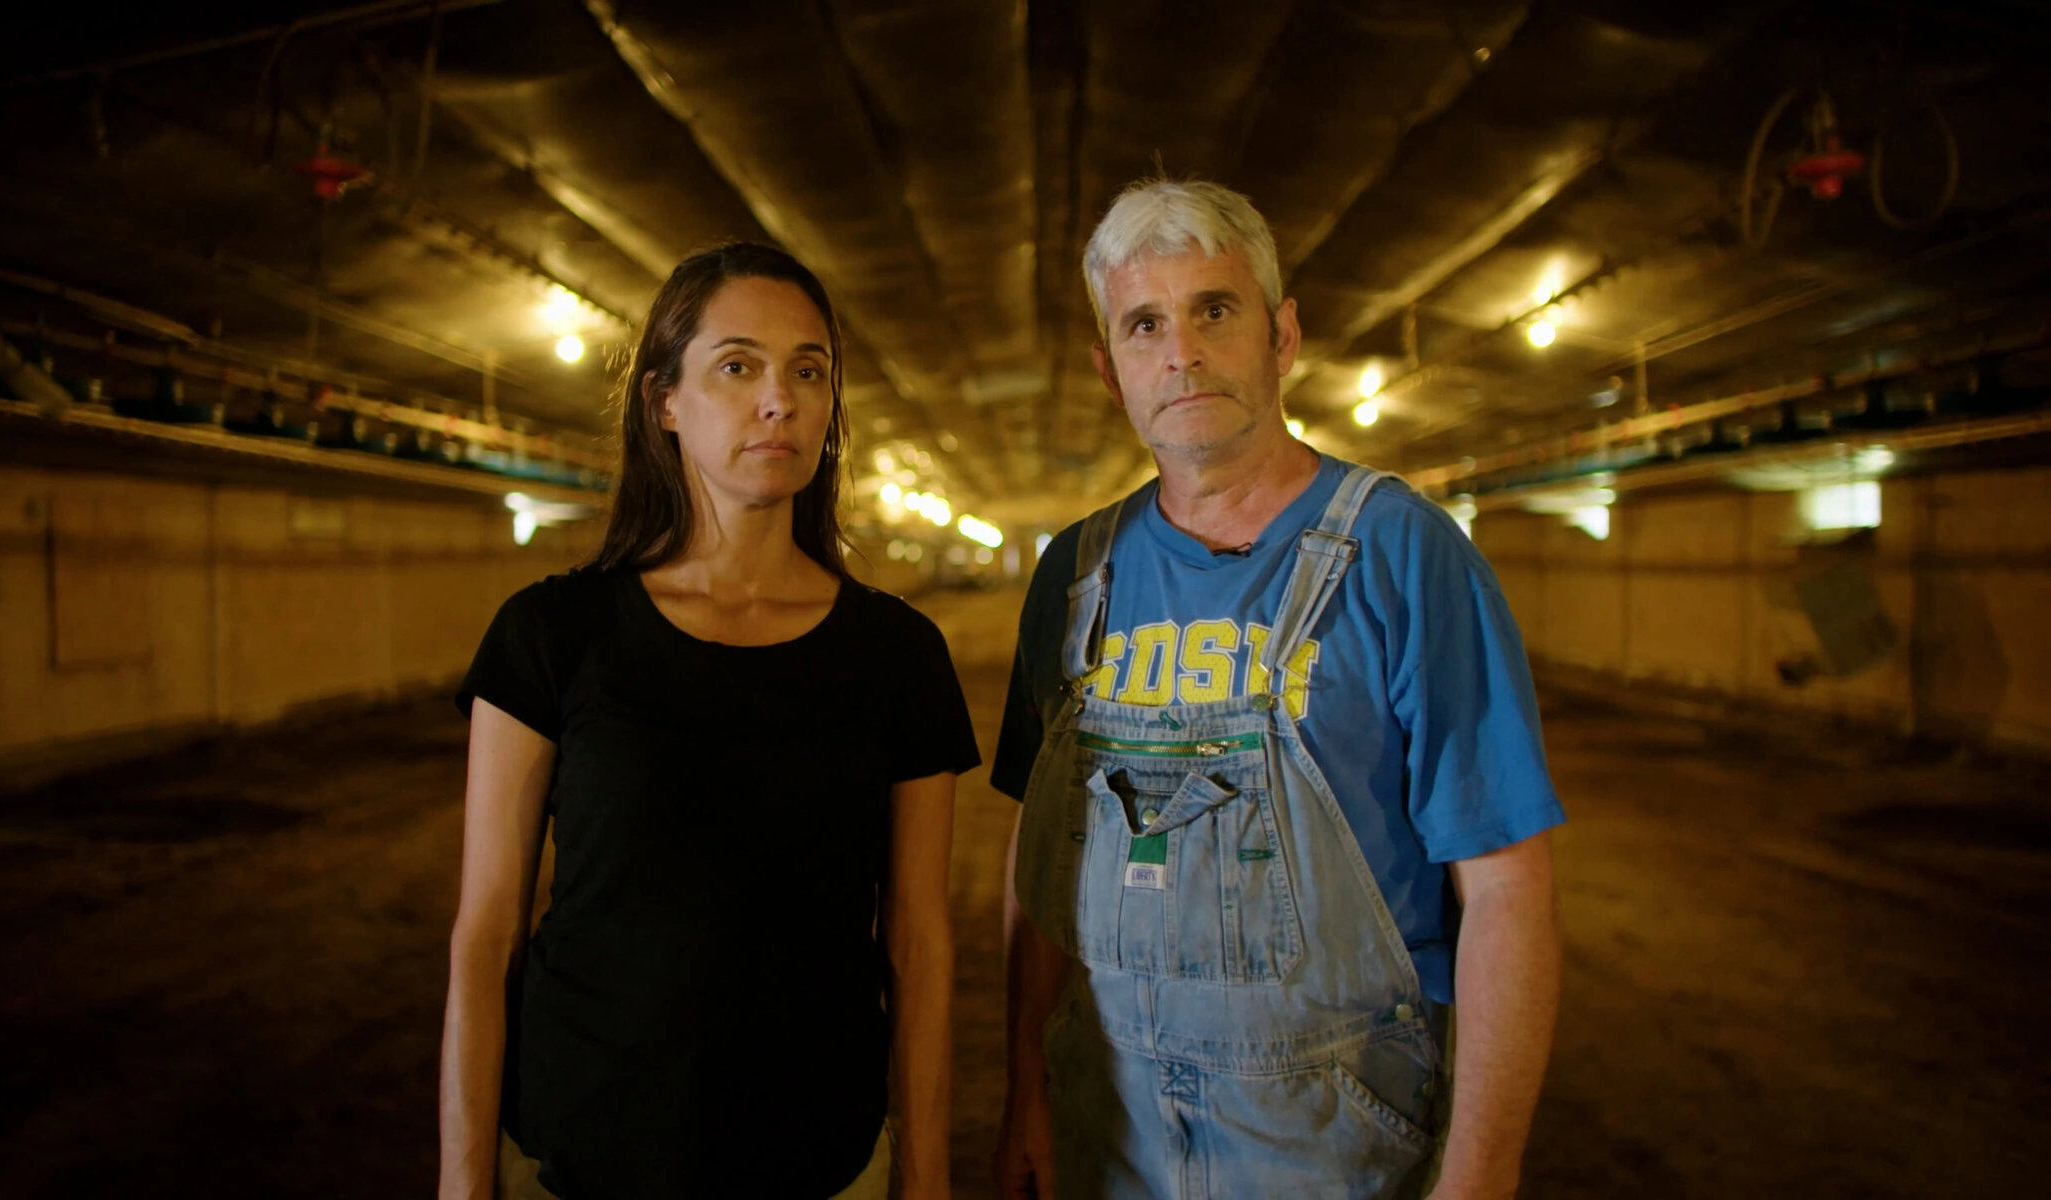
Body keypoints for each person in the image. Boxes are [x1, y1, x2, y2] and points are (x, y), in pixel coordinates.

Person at [991, 180, 1566, 1200]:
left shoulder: (1401, 552)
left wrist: (1479, 1176)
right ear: (1109, 366)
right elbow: (1042, 872)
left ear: (1282, 334)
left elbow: (1509, 888)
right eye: (1144, 325)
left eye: (1215, 309)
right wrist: (1024, 1089)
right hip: (1110, 1131)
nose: (1183, 353)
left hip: (1335, 1143)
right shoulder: (1076, 577)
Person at [440, 243, 978, 1200]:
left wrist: (927, 1177)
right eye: (738, 367)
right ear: (665, 405)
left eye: (807, 372)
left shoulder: (897, 655)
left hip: (819, 1161)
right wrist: (462, 1180)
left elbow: (918, 941)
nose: (780, 400)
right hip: (582, 1155)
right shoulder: (552, 636)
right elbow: (487, 935)